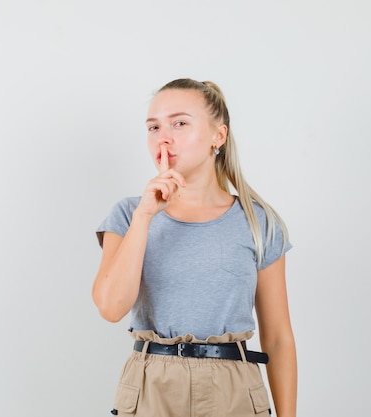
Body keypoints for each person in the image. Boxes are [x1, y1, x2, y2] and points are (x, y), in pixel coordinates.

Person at [92, 78, 297, 417]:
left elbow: (277, 338)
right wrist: (145, 216)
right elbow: (111, 307)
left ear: (218, 136)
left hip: (234, 388)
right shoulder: (129, 214)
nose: (164, 137)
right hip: (151, 387)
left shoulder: (258, 221)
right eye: (153, 127)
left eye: (180, 123)